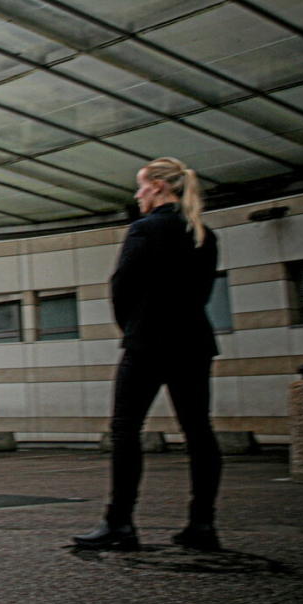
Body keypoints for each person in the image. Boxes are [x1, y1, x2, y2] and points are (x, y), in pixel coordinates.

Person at [74, 157, 222, 552]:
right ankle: (202, 523)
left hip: (148, 344)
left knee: (126, 430)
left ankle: (120, 523)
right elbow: (203, 294)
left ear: (158, 186)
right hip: (194, 342)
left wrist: (133, 328)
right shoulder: (203, 235)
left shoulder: (144, 229)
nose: (137, 194)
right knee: (198, 431)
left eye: (141, 186)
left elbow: (121, 287)